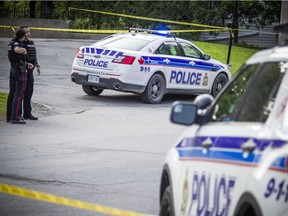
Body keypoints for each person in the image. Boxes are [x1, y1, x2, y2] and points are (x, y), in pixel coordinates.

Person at [6, 29, 33, 124]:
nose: (27, 35)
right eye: (25, 34)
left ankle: (10, 116)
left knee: (13, 93)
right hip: (19, 71)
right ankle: (15, 117)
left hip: (14, 69)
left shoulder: (11, 42)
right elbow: (16, 50)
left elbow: (13, 58)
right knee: (19, 94)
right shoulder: (16, 43)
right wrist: (24, 50)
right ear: (22, 36)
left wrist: (26, 64)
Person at [20, 26, 40, 120]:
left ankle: (27, 114)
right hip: (22, 71)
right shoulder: (19, 44)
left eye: (29, 32)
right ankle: (17, 114)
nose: (28, 34)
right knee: (20, 93)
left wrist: (37, 65)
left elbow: (33, 55)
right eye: (26, 32)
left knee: (29, 93)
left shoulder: (31, 43)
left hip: (30, 71)